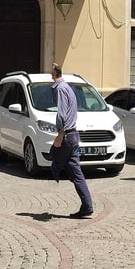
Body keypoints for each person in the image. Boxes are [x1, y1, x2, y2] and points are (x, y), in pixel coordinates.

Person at [50, 63, 94, 219]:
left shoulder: (60, 89)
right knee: (76, 172)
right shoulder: (68, 87)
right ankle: (87, 206)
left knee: (54, 154)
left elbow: (62, 113)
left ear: (53, 74)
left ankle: (57, 172)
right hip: (74, 136)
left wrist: (60, 134)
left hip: (68, 135)